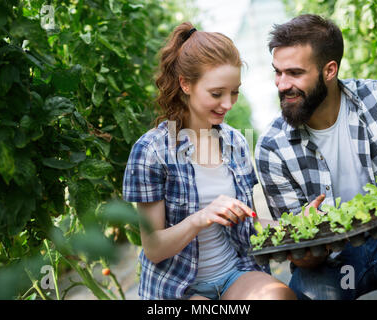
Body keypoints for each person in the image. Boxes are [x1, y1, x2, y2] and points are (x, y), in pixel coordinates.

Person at [122, 22, 296, 300]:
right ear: (185, 84)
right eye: (217, 93)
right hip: (177, 287)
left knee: (279, 296)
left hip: (233, 273)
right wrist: (201, 218)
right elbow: (154, 248)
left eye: (234, 92)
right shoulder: (152, 151)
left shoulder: (236, 142)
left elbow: (247, 223)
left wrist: (297, 226)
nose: (228, 104)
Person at [255, 14, 377, 300]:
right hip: (334, 266)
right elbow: (301, 259)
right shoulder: (271, 148)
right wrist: (308, 238)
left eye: (294, 73)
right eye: (278, 72)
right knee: (310, 295)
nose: (281, 85)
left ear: (329, 70)